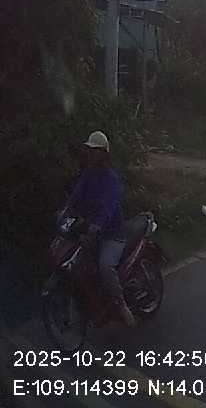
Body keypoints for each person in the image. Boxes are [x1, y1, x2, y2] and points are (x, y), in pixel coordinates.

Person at [60, 131, 134, 327]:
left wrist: (98, 225)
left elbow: (109, 207)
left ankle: (121, 305)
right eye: (89, 150)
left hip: (112, 235)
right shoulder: (88, 174)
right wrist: (64, 212)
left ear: (104, 154)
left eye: (95, 151)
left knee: (105, 266)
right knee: (78, 263)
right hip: (92, 232)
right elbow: (76, 197)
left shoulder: (112, 179)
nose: (91, 154)